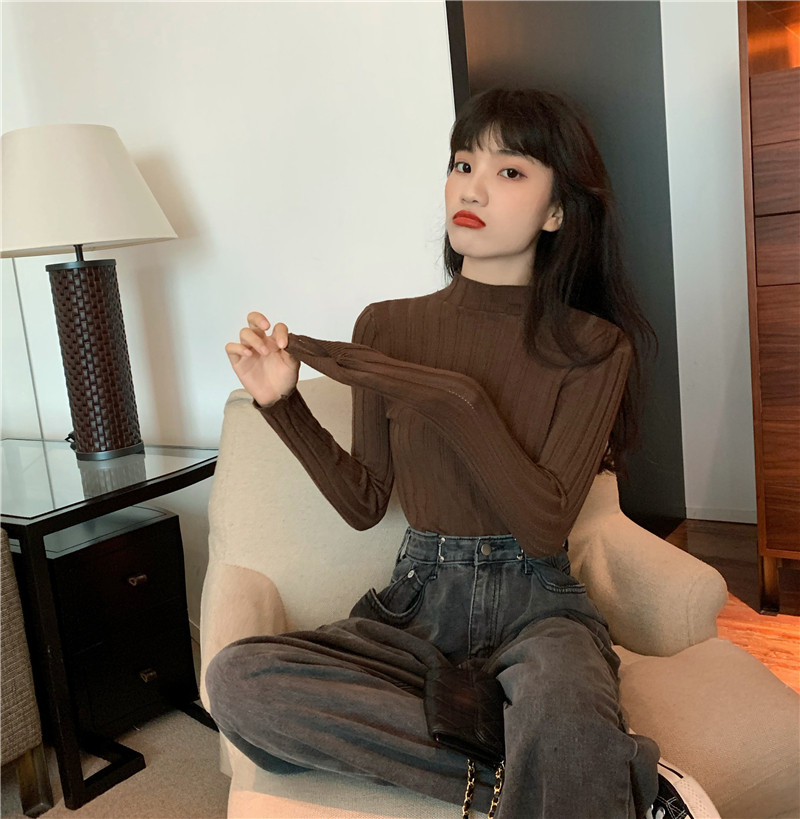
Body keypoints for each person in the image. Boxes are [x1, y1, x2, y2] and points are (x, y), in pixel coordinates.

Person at [206, 88, 718, 819]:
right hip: (416, 607)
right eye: (462, 163)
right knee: (239, 681)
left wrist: (456, 398)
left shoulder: (595, 346)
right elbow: (364, 503)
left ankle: (565, 750)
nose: (471, 188)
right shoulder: (386, 327)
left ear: (556, 210)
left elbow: (544, 524)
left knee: (563, 706)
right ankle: (587, 773)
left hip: (540, 607)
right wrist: (282, 402)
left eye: (509, 171)